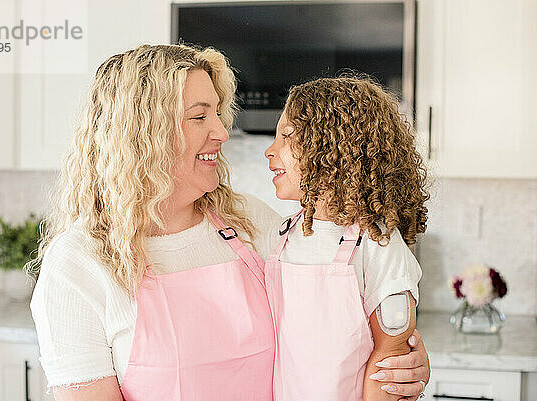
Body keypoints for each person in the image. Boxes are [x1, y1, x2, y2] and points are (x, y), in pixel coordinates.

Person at [28, 44, 430, 401]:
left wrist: (402, 357)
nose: (222, 132)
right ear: (141, 135)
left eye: (218, 114)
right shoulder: (78, 264)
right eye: (199, 117)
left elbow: (341, 312)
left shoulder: (251, 223)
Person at [264, 76, 430, 401]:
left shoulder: (376, 244)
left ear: (335, 149)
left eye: (286, 136)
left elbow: (391, 353)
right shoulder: (282, 235)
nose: (270, 150)